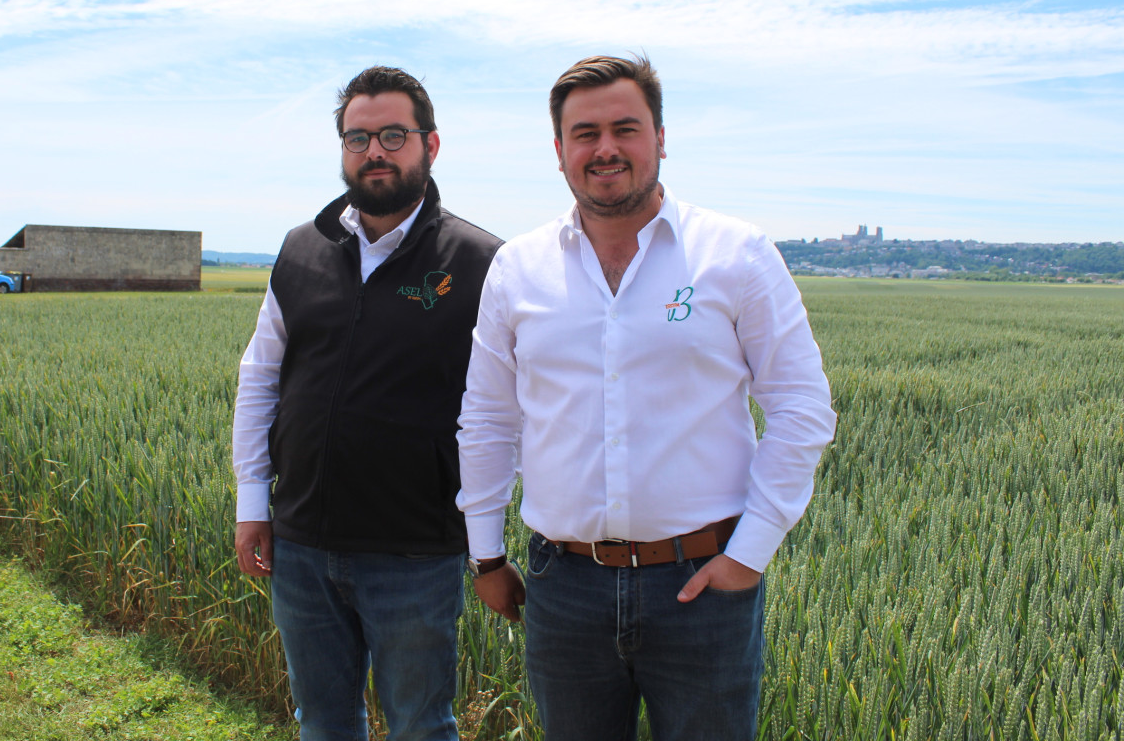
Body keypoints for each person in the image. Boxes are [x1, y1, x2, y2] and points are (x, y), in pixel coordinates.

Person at [455, 55, 837, 741]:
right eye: (585, 133)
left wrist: (749, 553)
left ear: (661, 138)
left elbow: (802, 407)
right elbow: (487, 419)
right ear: (559, 151)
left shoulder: (737, 254)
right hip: (562, 584)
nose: (605, 149)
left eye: (625, 128)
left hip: (701, 586)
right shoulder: (519, 268)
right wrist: (485, 557)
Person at [233, 66, 502, 741]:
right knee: (322, 722)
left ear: (429, 146)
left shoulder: (479, 261)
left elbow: (510, 410)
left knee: (420, 726)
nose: (374, 151)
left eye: (392, 135)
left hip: (414, 552)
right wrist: (252, 502)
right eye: (358, 137)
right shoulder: (302, 249)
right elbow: (262, 374)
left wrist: (486, 537)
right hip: (300, 545)